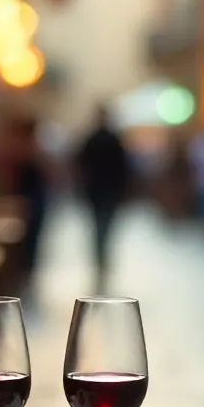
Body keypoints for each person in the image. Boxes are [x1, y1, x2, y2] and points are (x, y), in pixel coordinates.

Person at [76, 104, 130, 289]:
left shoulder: (92, 139)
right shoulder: (114, 139)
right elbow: (124, 168)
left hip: (97, 192)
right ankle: (102, 261)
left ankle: (100, 260)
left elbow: (80, 165)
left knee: (98, 229)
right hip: (108, 192)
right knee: (105, 228)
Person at [12, 117, 50, 292]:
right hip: (28, 202)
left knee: (33, 238)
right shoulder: (24, 151)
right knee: (29, 238)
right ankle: (25, 271)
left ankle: (27, 271)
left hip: (33, 200)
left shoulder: (30, 149)